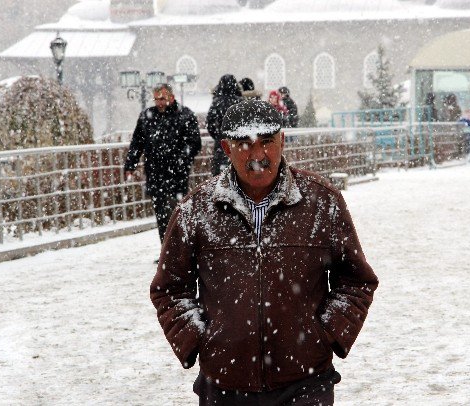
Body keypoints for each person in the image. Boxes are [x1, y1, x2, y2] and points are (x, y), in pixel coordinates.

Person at [150, 99, 379, 405]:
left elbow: (356, 281)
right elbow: (169, 288)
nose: (258, 155)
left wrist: (326, 335)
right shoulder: (196, 210)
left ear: (282, 141)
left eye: (267, 142)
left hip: (305, 383)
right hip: (224, 386)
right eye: (244, 144)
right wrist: (199, 340)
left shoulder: (322, 202)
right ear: (226, 148)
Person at [124, 83, 201, 249]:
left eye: (163, 99)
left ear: (171, 97)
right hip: (155, 173)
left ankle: (181, 251)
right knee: (161, 214)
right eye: (157, 99)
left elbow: (194, 143)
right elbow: (137, 142)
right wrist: (130, 164)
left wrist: (181, 160)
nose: (159, 102)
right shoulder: (147, 116)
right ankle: (167, 251)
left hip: (177, 174)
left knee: (177, 213)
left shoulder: (185, 115)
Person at [207, 74, 243, 176]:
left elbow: (210, 124)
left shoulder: (216, 102)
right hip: (239, 143)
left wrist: (218, 135)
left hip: (221, 144)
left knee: (220, 176)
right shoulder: (240, 102)